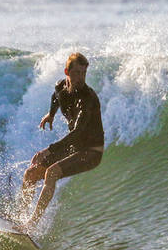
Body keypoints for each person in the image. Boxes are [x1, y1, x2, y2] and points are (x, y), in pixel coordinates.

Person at [18, 52, 104, 229]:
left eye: (83, 73)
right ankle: (20, 217)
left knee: (52, 172)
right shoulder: (61, 87)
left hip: (91, 152)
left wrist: (48, 150)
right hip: (75, 148)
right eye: (77, 73)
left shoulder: (87, 98)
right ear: (67, 72)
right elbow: (56, 97)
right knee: (30, 174)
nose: (80, 77)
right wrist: (51, 114)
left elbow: (78, 131)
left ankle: (31, 224)